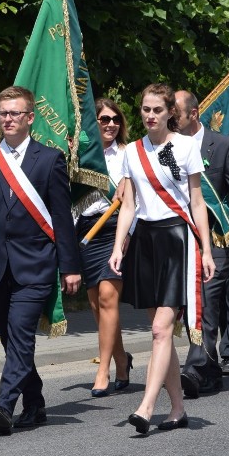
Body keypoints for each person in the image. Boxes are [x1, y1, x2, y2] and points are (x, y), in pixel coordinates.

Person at [0, 86, 81, 435]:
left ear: (30, 118)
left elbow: (61, 218)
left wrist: (70, 266)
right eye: (3, 113)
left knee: (21, 335)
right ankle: (35, 403)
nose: (7, 119)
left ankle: (5, 405)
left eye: (14, 113)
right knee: (11, 340)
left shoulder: (50, 159)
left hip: (35, 263)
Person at [109, 83, 215, 434]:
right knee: (162, 334)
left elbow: (196, 201)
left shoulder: (185, 147)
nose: (150, 115)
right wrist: (117, 245)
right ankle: (178, 408)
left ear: (171, 112)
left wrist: (206, 249)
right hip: (146, 241)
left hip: (177, 238)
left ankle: (146, 406)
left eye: (157, 110)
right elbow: (128, 205)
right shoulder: (132, 151)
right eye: (145, 109)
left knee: (159, 330)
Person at [172, 90, 229, 397]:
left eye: (175, 114)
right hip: (179, 240)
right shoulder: (167, 147)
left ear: (194, 114)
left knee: (203, 302)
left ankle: (195, 369)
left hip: (216, 242)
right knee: (188, 305)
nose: (170, 120)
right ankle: (210, 369)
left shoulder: (222, 146)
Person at [76, 98, 133, 397]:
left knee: (109, 297)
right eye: (104, 119)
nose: (111, 124)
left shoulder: (129, 154)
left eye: (115, 119)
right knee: (97, 305)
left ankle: (104, 370)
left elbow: (137, 201)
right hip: (87, 232)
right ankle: (123, 358)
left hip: (116, 229)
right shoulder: (81, 157)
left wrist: (126, 236)